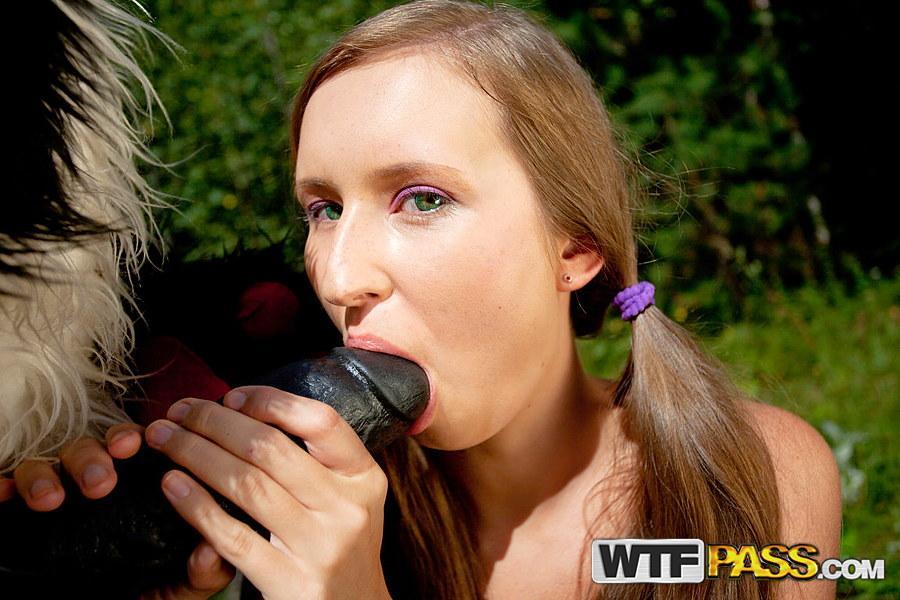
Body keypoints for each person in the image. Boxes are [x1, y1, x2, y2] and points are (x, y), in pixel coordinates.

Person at [3, 1, 842, 598]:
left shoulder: (741, 484)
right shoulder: (294, 504)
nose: (337, 277)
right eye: (323, 210)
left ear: (576, 247)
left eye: (422, 199)